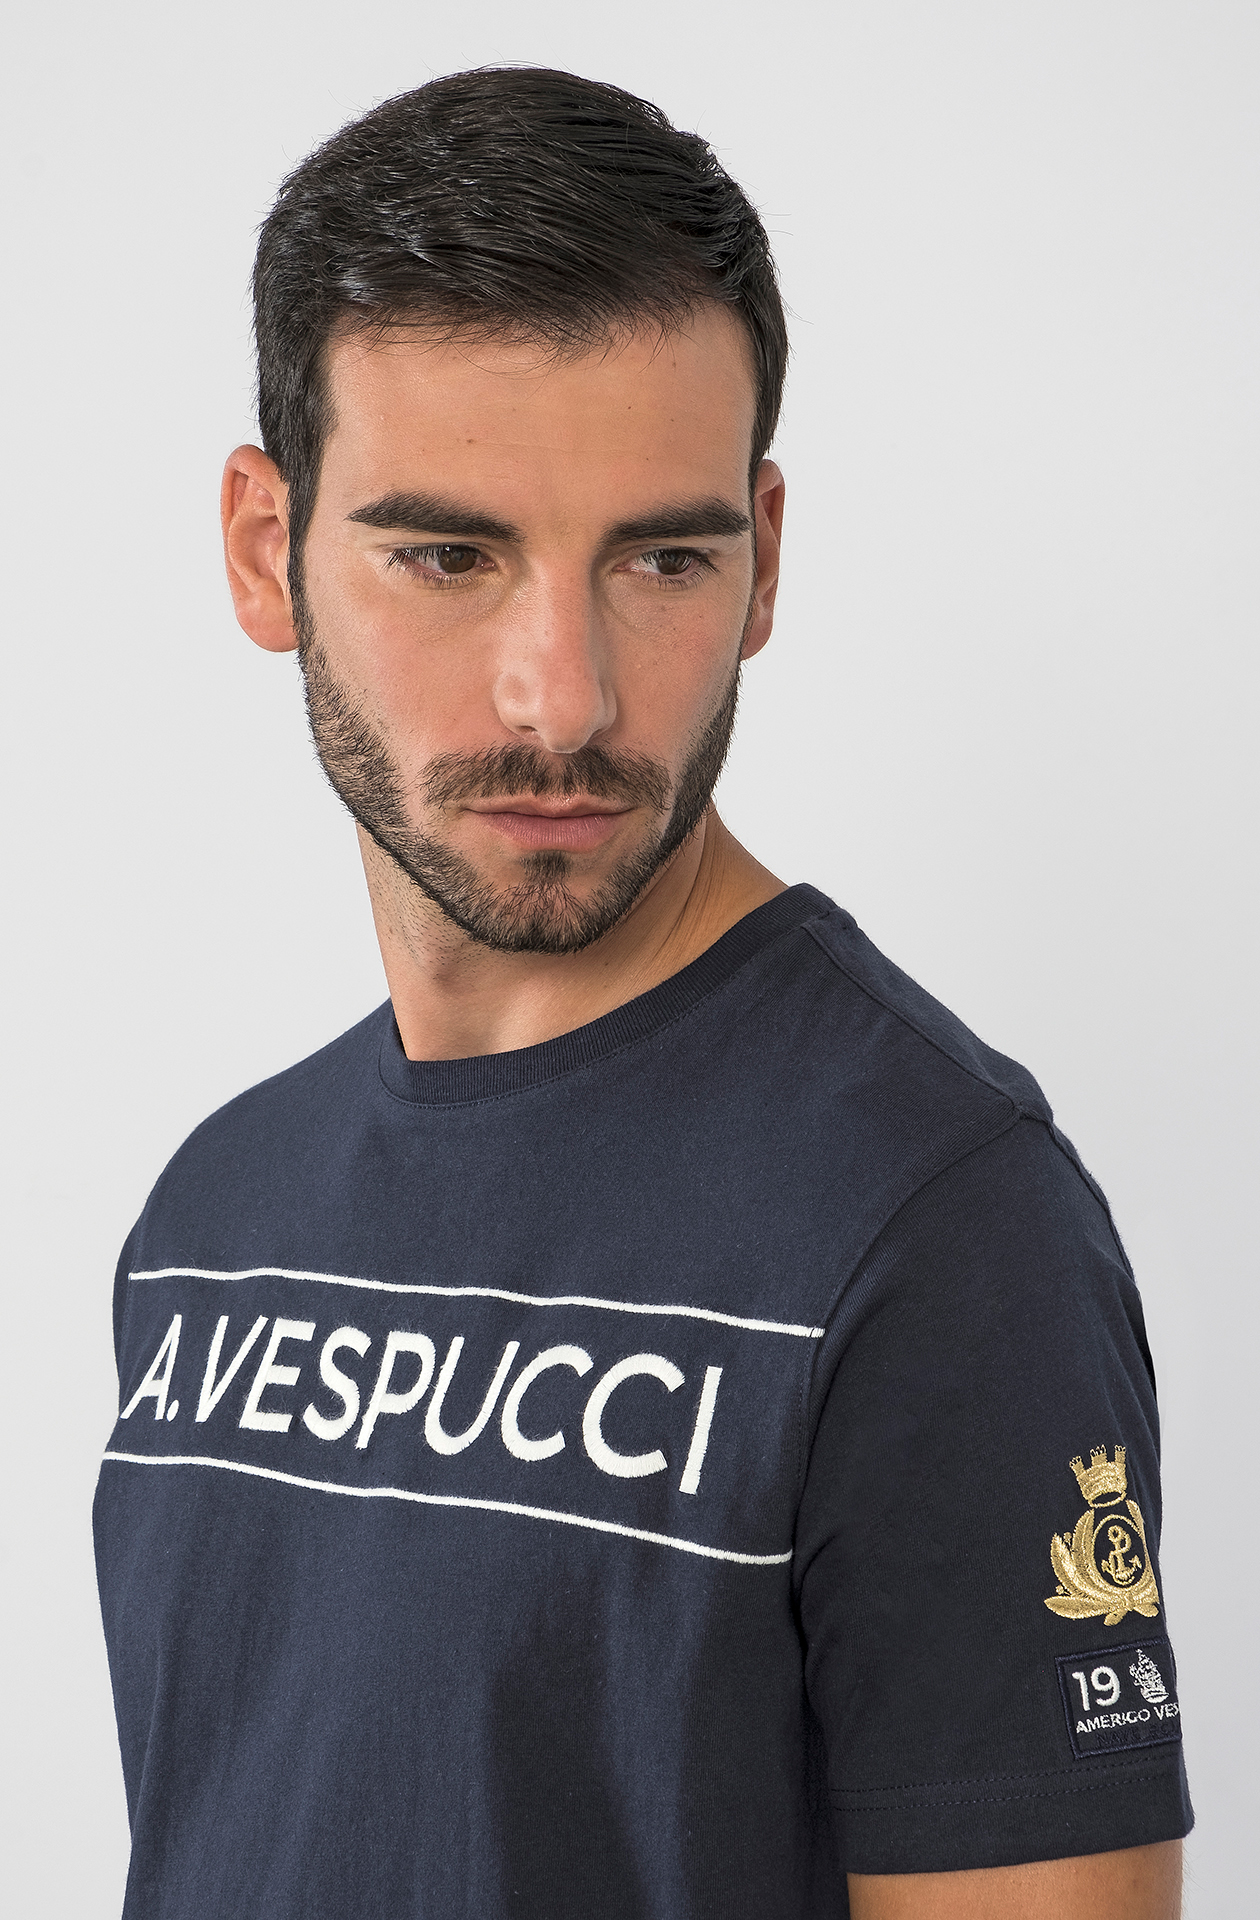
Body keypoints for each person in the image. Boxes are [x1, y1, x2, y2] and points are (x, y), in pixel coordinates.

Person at [93, 67, 1191, 1920]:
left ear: (764, 563)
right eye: (450, 556)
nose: (567, 695)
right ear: (267, 550)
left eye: (662, 558)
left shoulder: (939, 1227)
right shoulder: (215, 1224)